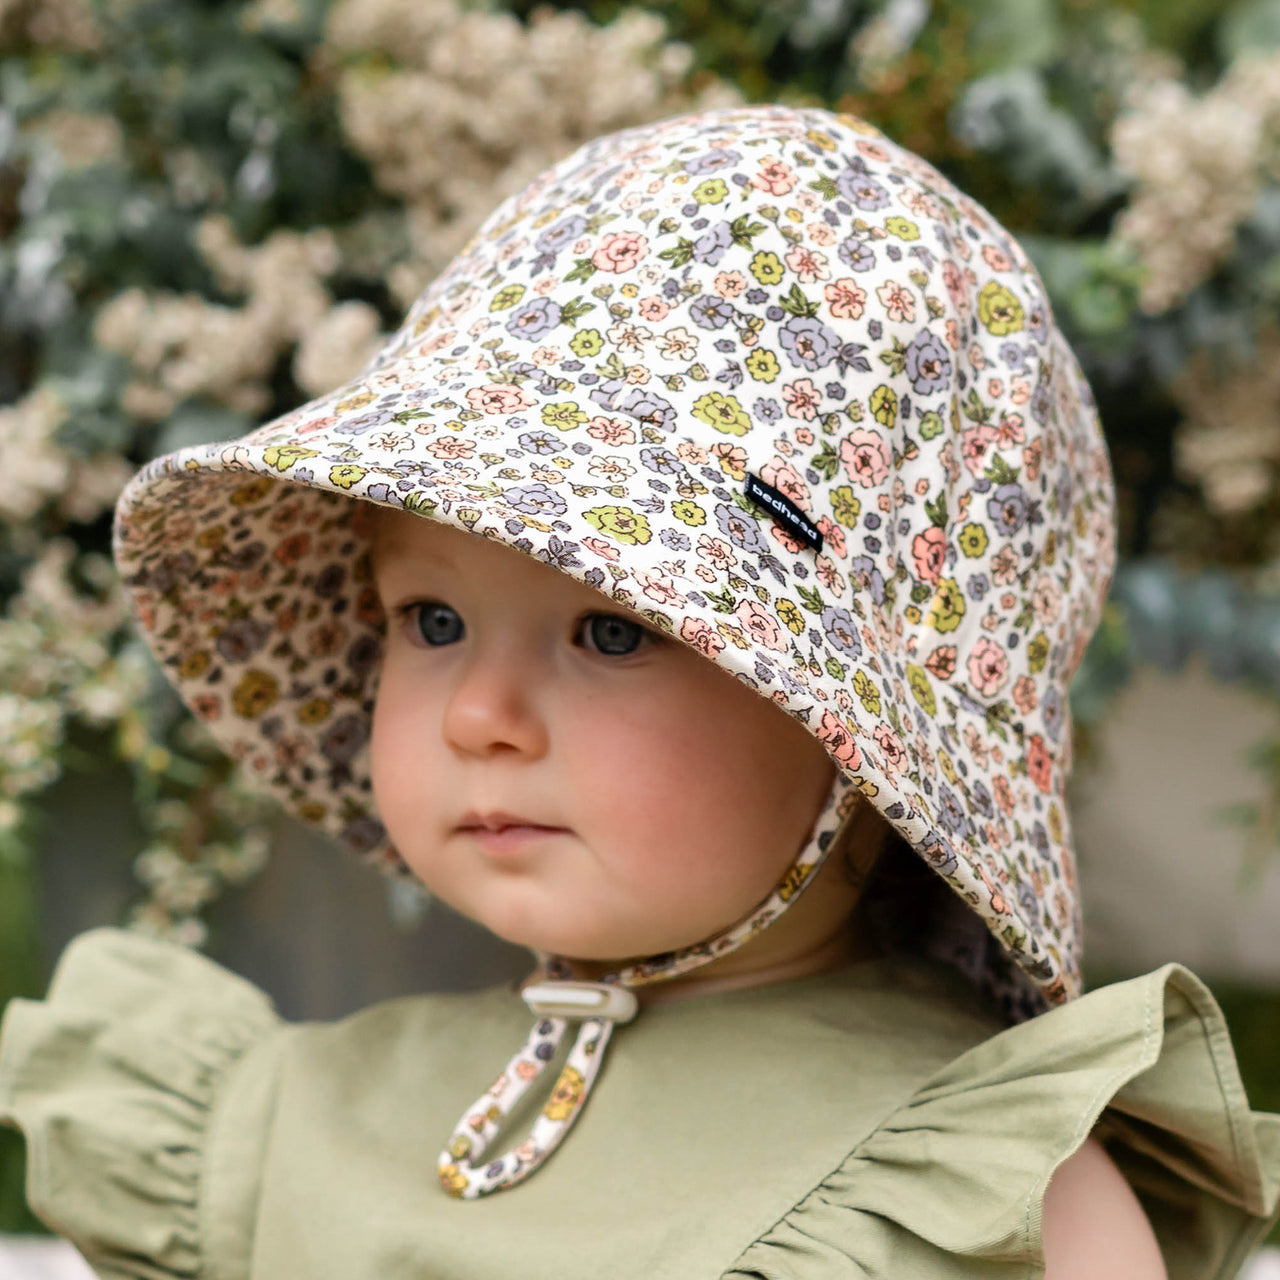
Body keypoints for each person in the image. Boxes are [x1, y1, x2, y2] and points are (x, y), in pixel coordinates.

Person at [1, 101, 1277, 1279]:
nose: (474, 713)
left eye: (614, 631)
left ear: (866, 743)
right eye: (431, 619)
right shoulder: (288, 1121)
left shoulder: (974, 1185)